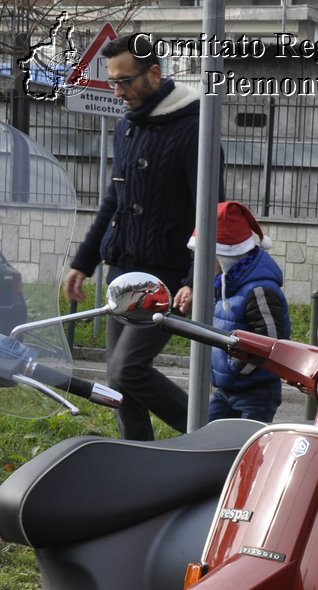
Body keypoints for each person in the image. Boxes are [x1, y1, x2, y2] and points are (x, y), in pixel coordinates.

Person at [63, 34, 198, 440]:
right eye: (112, 82)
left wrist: (195, 277)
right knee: (117, 384)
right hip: (122, 271)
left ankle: (209, 434)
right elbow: (113, 202)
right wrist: (83, 263)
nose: (118, 91)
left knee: (128, 368)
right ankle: (138, 456)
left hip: (165, 278)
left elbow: (211, 212)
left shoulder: (193, 129)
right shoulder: (126, 127)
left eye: (125, 81)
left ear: (154, 74)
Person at [193, 201, 289, 423]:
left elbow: (270, 341)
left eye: (206, 255)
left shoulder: (259, 290)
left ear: (225, 255)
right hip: (226, 390)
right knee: (206, 440)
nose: (199, 263)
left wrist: (237, 369)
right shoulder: (225, 283)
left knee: (246, 451)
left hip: (255, 393)